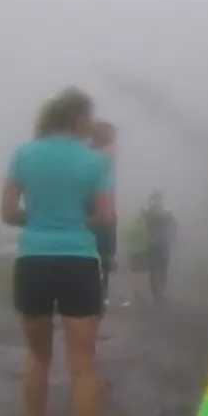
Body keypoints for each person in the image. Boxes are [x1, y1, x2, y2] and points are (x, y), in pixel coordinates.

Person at [2, 87, 118, 416]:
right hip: (79, 261)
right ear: (79, 119)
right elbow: (105, 217)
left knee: (37, 355)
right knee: (83, 365)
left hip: (34, 258)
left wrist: (39, 221)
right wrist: (73, 220)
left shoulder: (24, 154)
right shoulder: (94, 161)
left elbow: (7, 212)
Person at [86, 121, 118, 306]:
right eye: (111, 137)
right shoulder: (98, 156)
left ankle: (98, 300)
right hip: (96, 209)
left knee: (101, 263)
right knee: (99, 260)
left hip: (100, 210)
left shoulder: (99, 154)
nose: (114, 143)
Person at [129, 191, 176, 305]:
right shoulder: (165, 212)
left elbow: (142, 220)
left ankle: (156, 293)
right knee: (163, 269)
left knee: (153, 269)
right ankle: (161, 291)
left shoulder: (148, 212)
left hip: (151, 245)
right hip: (163, 244)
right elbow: (172, 224)